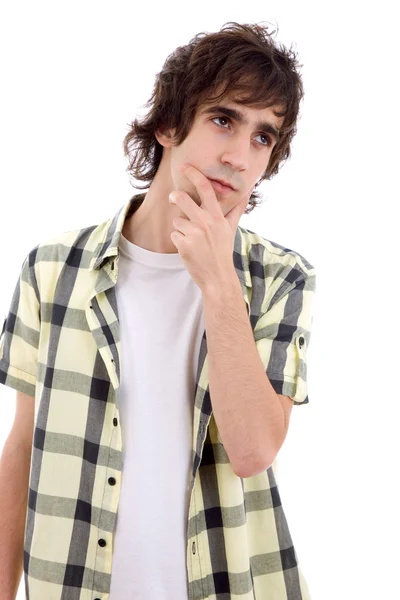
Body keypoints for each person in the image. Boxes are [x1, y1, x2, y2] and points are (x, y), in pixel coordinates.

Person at [0, 20, 317, 600]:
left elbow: (252, 450)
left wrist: (219, 284)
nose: (240, 156)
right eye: (224, 119)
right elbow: (23, 444)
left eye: (262, 137)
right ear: (169, 125)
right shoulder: (51, 269)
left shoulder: (280, 278)